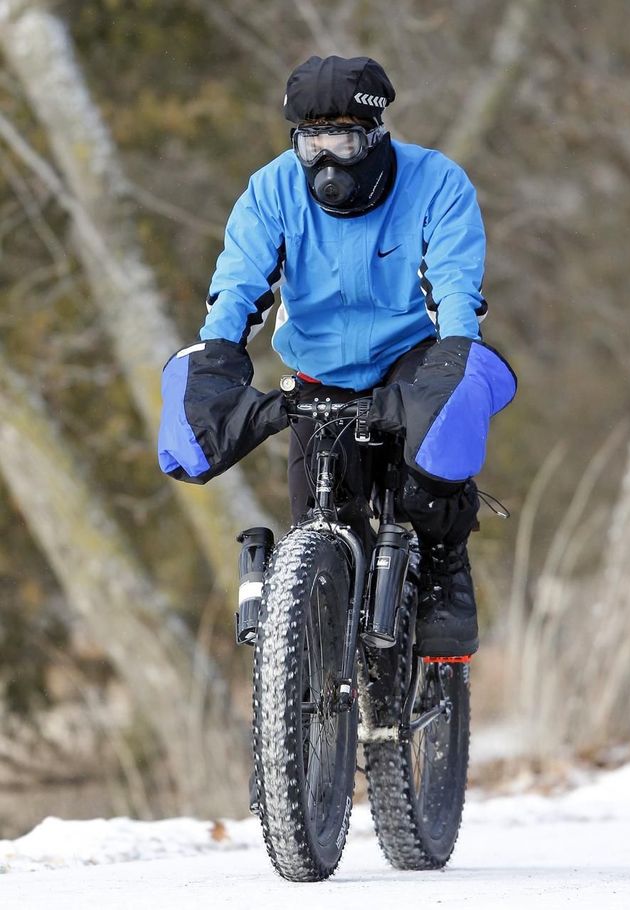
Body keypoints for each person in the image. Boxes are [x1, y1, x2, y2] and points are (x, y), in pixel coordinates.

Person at [158, 55, 516, 658]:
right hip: (320, 370)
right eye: (310, 142)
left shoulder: (437, 182)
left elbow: (455, 287)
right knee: (320, 517)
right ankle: (316, 691)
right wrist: (217, 360)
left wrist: (455, 362)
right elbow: (238, 287)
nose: (326, 161)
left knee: (425, 481)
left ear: (374, 135)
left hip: (413, 355)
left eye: (343, 140)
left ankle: (443, 573)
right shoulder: (270, 190)